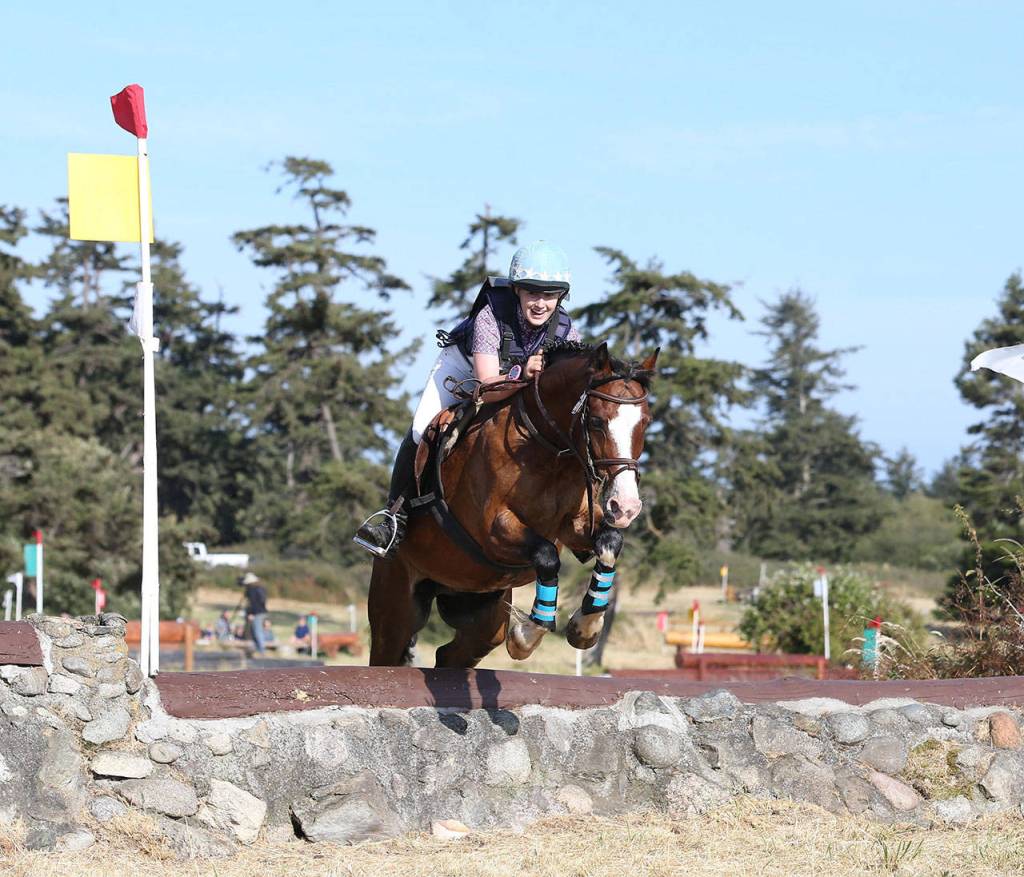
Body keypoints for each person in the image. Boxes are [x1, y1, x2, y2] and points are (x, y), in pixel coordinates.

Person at [354, 241, 580, 557]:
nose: (540, 303)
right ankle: (394, 518)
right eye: (532, 292)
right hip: (464, 368)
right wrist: (522, 374)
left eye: (550, 294)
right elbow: (486, 383)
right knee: (423, 429)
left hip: (517, 379)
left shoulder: (567, 333)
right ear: (517, 291)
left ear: (561, 296)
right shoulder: (492, 315)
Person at [238, 572, 269, 654]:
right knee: (259, 630)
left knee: (257, 630)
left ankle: (261, 649)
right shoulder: (260, 588)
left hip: (257, 612)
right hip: (262, 611)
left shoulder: (252, 590)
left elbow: (253, 603)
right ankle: (259, 647)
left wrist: (251, 613)